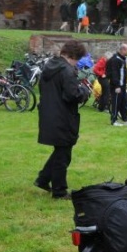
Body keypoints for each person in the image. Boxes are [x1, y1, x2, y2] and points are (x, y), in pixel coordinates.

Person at [34, 40, 91, 200]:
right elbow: (72, 95)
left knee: (61, 151)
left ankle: (43, 179)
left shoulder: (49, 66)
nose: (76, 63)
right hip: (62, 116)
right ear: (73, 56)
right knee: (63, 154)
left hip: (50, 113)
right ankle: (59, 191)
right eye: (77, 60)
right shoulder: (66, 70)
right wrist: (84, 91)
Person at [108, 42, 127, 126]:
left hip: (122, 85)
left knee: (124, 103)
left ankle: (125, 119)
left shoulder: (122, 59)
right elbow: (114, 73)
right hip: (117, 86)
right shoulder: (116, 59)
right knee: (116, 103)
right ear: (123, 50)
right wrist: (117, 86)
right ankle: (114, 120)